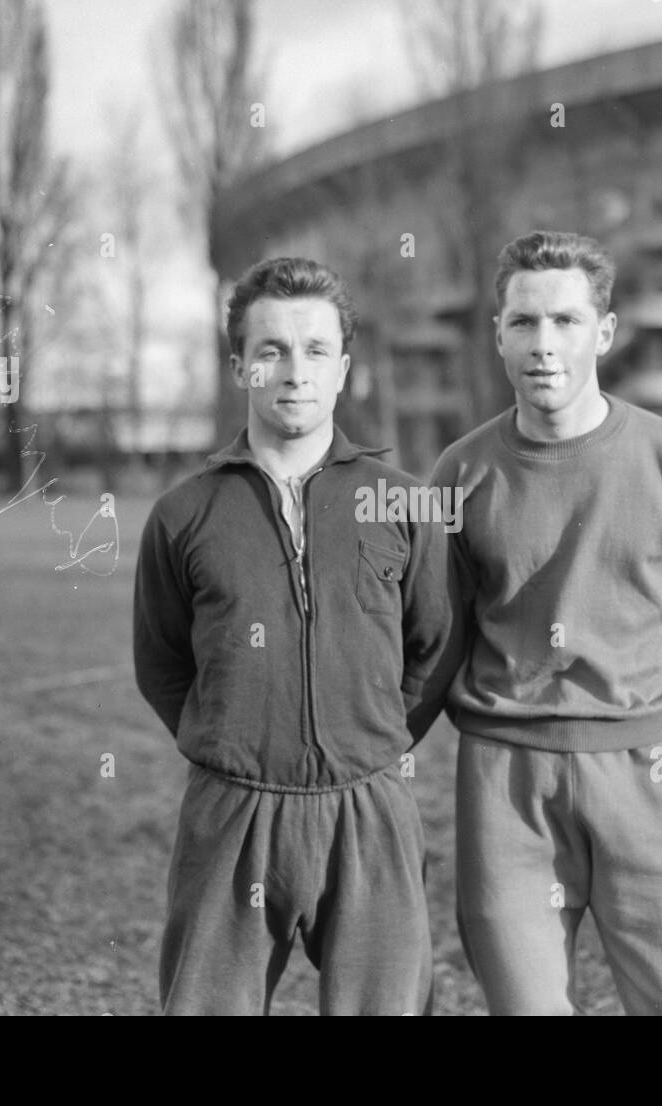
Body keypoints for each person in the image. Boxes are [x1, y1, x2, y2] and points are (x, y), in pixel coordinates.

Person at [430, 230, 662, 1015]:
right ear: (497, 335)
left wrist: (641, 730)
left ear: (604, 333)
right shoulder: (459, 475)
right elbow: (436, 638)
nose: (545, 345)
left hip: (647, 777)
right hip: (505, 789)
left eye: (566, 322)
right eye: (524, 323)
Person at [133, 256, 453, 1015]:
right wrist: (228, 742)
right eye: (271, 349)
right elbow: (162, 662)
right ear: (240, 365)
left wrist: (371, 741)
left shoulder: (401, 504)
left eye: (315, 350)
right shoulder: (184, 515)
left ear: (344, 369)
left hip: (369, 807)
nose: (294, 371)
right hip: (232, 809)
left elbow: (434, 648)